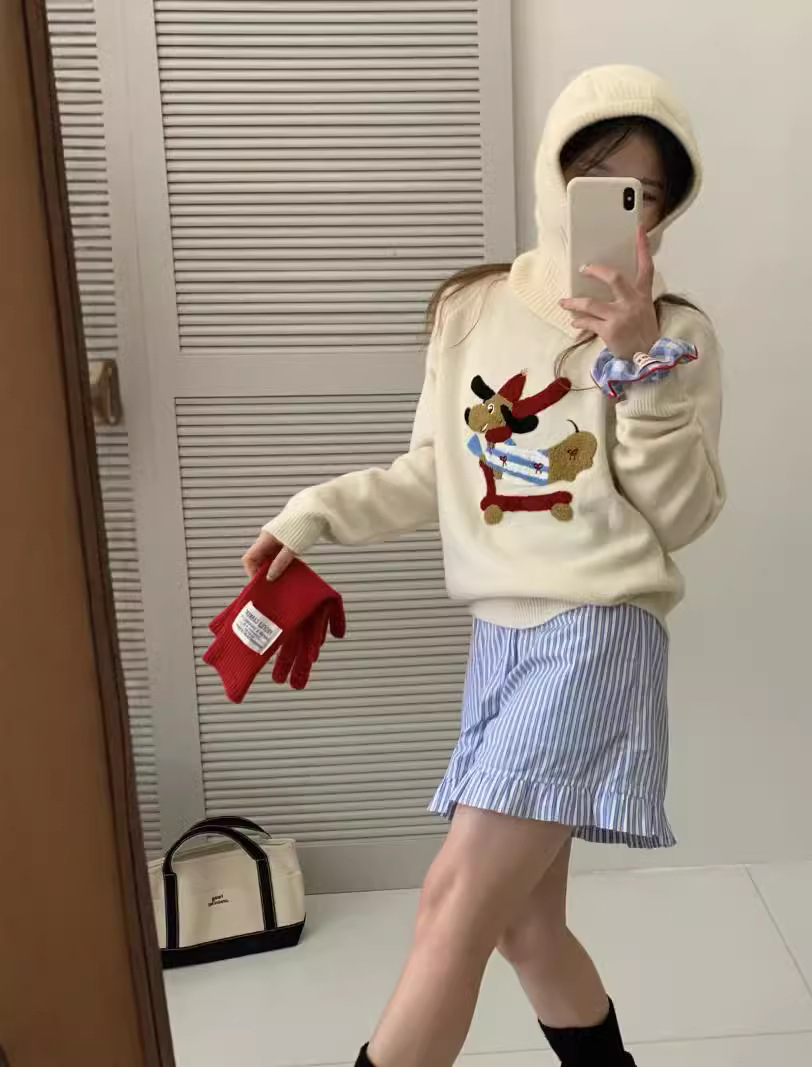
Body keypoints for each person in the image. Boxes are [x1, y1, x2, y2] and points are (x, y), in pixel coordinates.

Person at [243, 65, 725, 1067]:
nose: (621, 210)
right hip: (497, 638)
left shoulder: (675, 337)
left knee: (452, 901)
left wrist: (635, 366)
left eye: (643, 195)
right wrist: (312, 513)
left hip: (596, 629)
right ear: (553, 177)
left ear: (665, 212)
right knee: (524, 928)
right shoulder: (469, 308)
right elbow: (434, 471)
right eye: (597, 181)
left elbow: (679, 515)